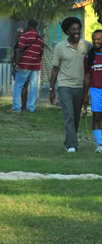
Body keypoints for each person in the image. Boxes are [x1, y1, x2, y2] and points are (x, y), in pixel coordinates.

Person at [49, 17, 92, 153]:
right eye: (73, 29)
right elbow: (55, 69)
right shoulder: (60, 47)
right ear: (67, 31)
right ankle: (72, 146)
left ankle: (69, 141)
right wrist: (51, 89)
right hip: (65, 86)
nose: (76, 32)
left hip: (80, 87)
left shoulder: (86, 45)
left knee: (76, 116)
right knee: (68, 115)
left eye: (78, 29)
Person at [11, 19, 45, 112]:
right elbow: (41, 53)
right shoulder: (40, 39)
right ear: (36, 27)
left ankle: (16, 107)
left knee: (18, 85)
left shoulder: (24, 37)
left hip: (24, 65)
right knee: (33, 87)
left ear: (28, 25)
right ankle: (31, 108)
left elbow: (20, 50)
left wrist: (16, 63)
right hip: (35, 66)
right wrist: (37, 62)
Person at [83, 30, 102, 153]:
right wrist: (85, 95)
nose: (96, 41)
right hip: (95, 91)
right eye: (94, 39)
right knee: (96, 118)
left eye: (98, 39)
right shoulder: (89, 57)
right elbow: (87, 76)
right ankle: (100, 145)